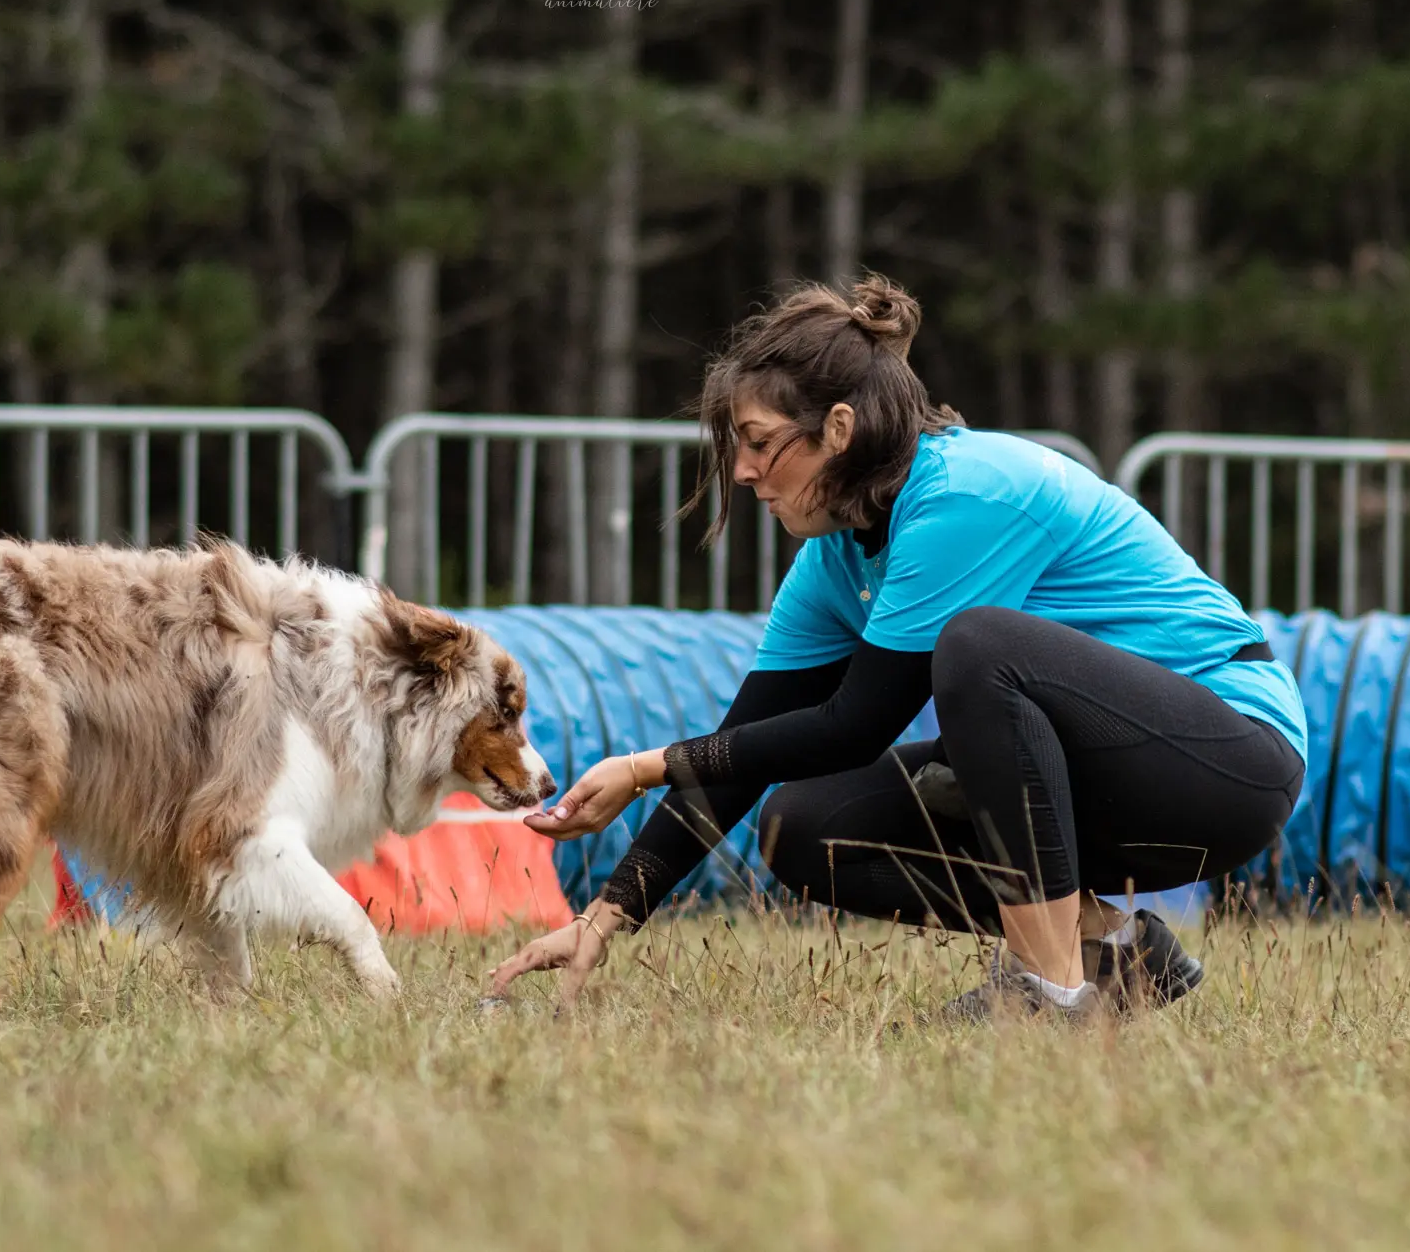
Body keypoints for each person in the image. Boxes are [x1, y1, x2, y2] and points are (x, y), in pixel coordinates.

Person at [485, 273, 1307, 1021]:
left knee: (980, 648)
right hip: (1094, 783)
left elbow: (856, 725)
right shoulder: (833, 559)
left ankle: (1050, 996)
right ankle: (1114, 951)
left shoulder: (965, 493)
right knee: (802, 824)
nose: (741, 471)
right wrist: (607, 914)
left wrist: (640, 766)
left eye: (759, 440)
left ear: (838, 429)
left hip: (1227, 762)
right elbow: (754, 739)